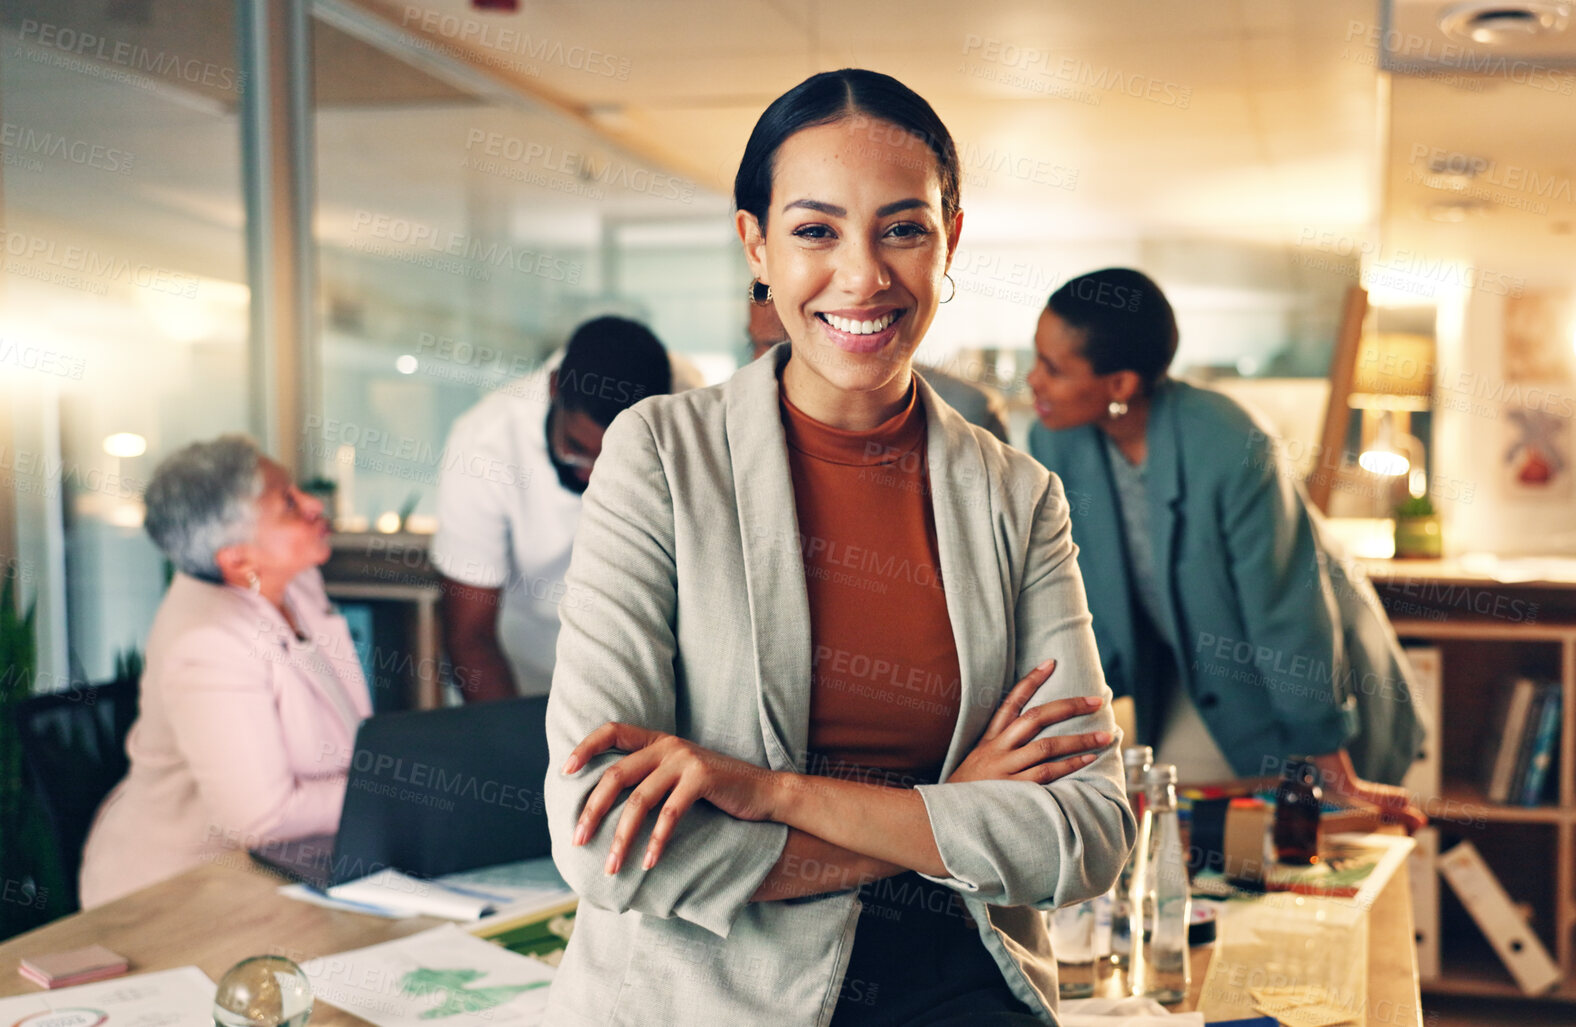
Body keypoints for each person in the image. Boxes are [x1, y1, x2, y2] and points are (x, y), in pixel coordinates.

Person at [543, 69, 1133, 1026]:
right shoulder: (657, 457)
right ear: (757, 246)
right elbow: (602, 839)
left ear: (950, 240)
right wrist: (943, 814)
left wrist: (769, 792)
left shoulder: (1017, 497)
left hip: (962, 979)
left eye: (903, 228)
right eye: (815, 230)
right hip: (706, 995)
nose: (863, 276)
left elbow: (1087, 832)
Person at [1026, 268, 1427, 820]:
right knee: (1178, 838)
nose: (1033, 382)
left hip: (1299, 679)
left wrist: (1334, 770)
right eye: (1037, 359)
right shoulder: (1055, 437)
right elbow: (1080, 592)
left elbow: (1286, 611)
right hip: (1181, 677)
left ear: (1119, 385)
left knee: (1294, 836)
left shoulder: (1230, 441)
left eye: (1053, 368)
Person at [78, 436, 370, 908]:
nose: (315, 503)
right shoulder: (206, 642)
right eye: (288, 504)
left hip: (298, 867)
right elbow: (262, 817)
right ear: (237, 561)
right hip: (179, 894)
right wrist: (394, 793)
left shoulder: (294, 582)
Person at [432, 316, 677, 701]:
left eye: (615, 459)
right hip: (520, 678)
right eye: (578, 451)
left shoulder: (684, 421)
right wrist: (516, 749)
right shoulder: (484, 444)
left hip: (644, 676)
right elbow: (471, 636)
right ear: (553, 390)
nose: (595, 477)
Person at [750, 289, 1012, 442]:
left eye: (776, 343)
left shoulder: (971, 411)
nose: (760, 360)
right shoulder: (722, 430)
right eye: (755, 343)